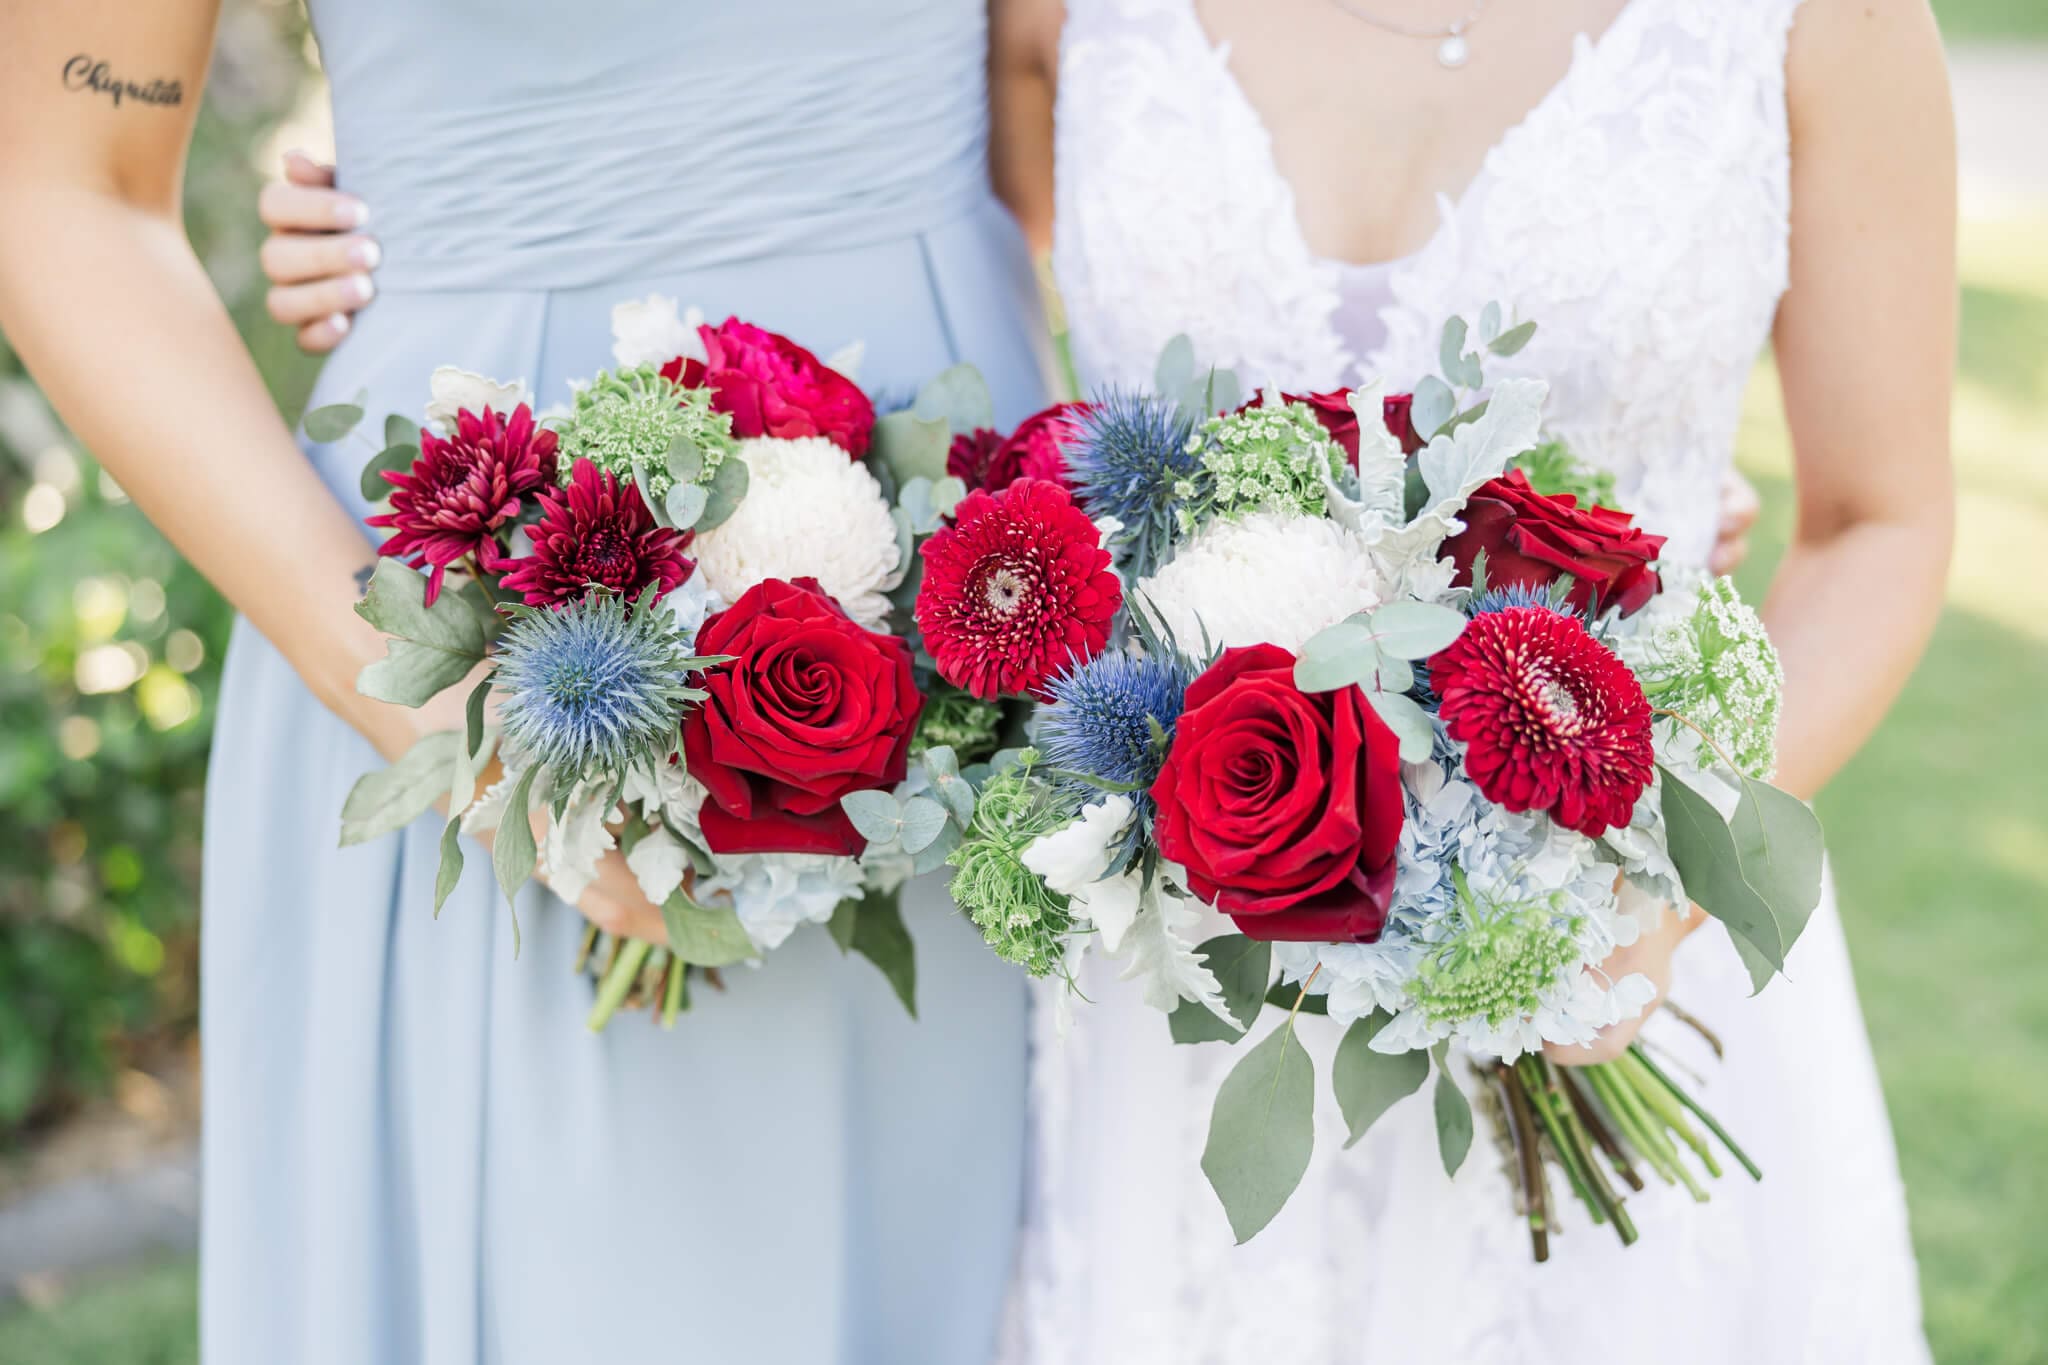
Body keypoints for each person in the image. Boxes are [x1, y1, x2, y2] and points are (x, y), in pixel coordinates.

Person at [0, 4, 1045, 1361]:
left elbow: (1067, 92)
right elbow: (68, 186)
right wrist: (461, 715)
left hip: (984, 623)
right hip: (476, 623)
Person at [988, 0, 1951, 1361]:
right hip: (1189, 976)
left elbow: (1882, 518)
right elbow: (1009, 357)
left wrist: (1663, 883)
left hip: (1626, 927)